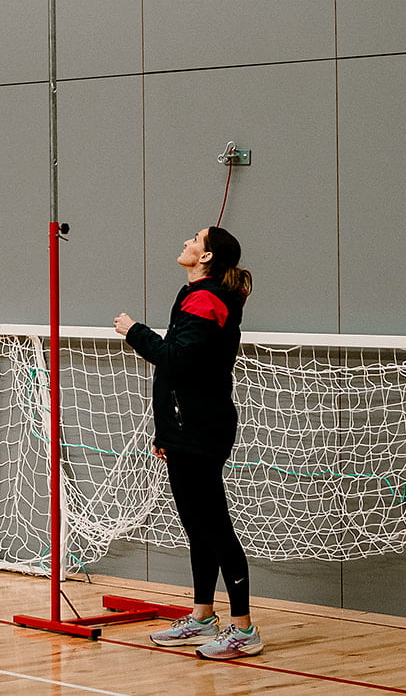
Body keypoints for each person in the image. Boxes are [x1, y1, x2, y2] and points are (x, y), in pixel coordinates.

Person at [113, 225, 262, 660]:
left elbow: (175, 359)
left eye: (194, 240)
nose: (185, 242)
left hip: (202, 429)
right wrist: (165, 432)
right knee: (198, 527)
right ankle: (201, 617)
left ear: (208, 257)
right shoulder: (198, 294)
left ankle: (244, 629)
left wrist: (134, 331)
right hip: (184, 430)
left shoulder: (208, 299)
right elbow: (179, 376)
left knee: (214, 527)